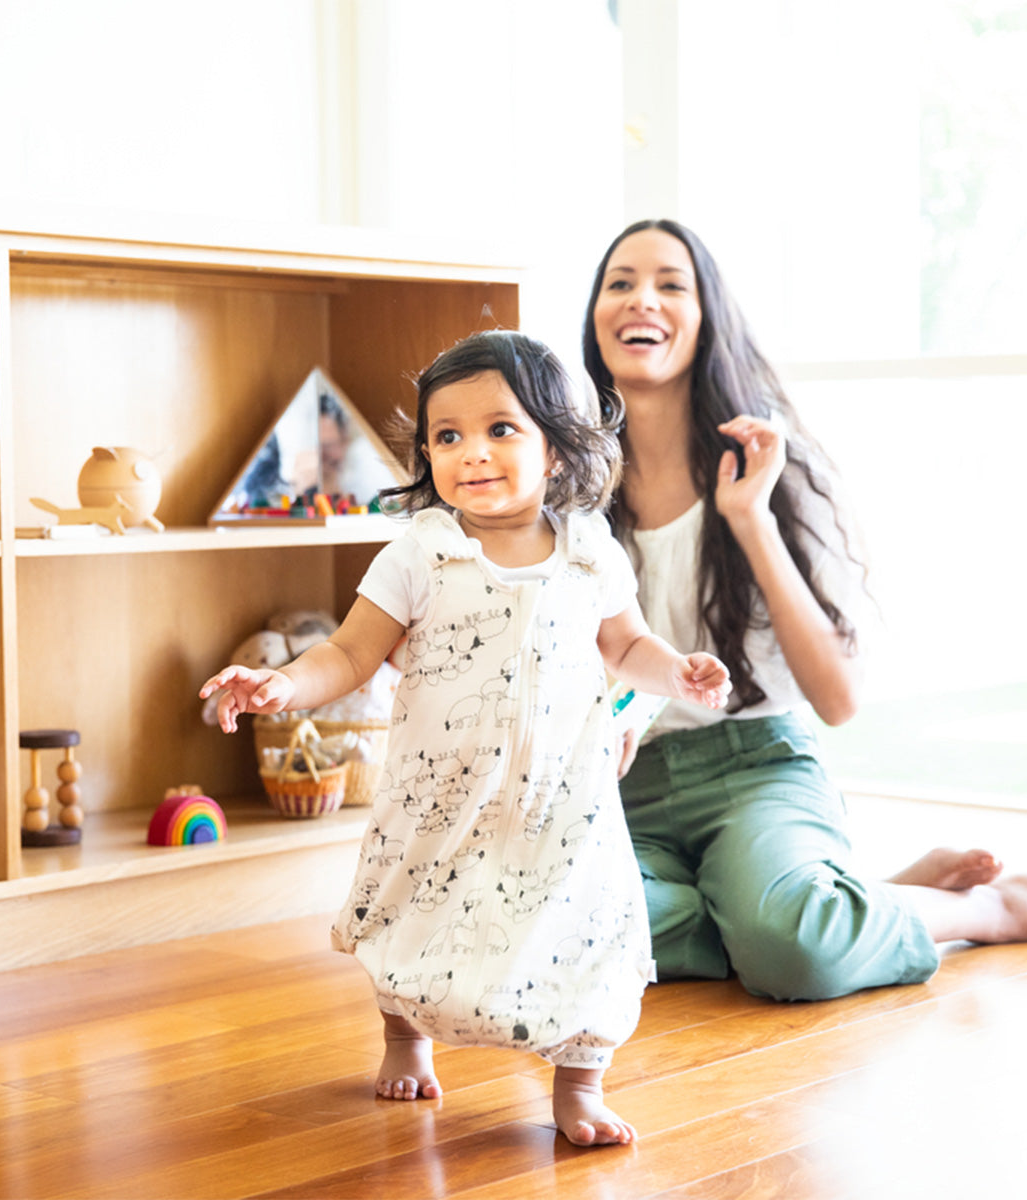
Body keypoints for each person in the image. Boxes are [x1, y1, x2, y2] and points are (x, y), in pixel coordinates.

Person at [200, 330, 731, 1146]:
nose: (471, 453)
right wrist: (284, 685)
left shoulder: (591, 550)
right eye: (447, 436)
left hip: (566, 798)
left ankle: (581, 1082)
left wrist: (677, 672)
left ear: (557, 448)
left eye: (500, 429)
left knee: (589, 928)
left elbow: (624, 647)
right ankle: (405, 1033)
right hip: (440, 795)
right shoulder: (423, 552)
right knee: (416, 908)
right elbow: (349, 654)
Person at [583, 217, 1027, 1003]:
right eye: (621, 283)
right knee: (561, 928)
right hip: (617, 785)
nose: (643, 299)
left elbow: (838, 699)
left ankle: (990, 908)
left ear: (709, 320)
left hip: (752, 768)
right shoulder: (568, 487)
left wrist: (750, 518)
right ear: (595, 316)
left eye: (672, 284)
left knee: (795, 957)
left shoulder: (774, 466)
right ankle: (828, 897)